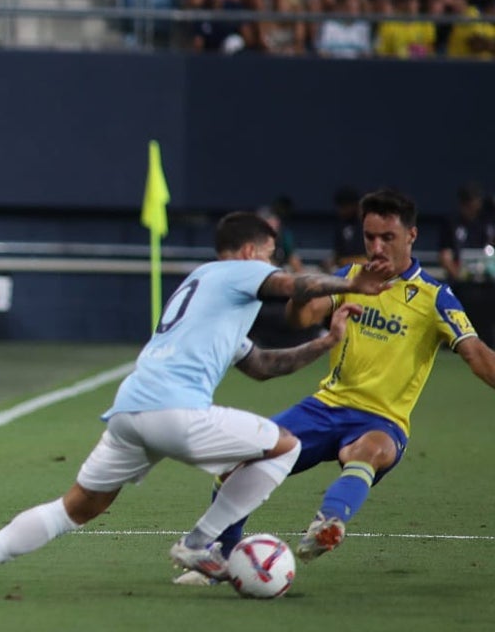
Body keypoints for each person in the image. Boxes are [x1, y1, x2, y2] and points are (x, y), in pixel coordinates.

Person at [0, 211, 392, 594]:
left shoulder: (209, 295)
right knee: (287, 445)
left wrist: (325, 341)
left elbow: (263, 365)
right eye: (271, 257)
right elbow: (296, 287)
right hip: (174, 411)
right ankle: (200, 542)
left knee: (75, 508)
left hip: (131, 411)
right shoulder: (239, 270)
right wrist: (352, 285)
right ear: (252, 252)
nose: (274, 267)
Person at [201, 189, 495, 573]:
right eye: (369, 236)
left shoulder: (434, 298)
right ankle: (219, 557)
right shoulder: (350, 278)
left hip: (382, 421)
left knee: (362, 453)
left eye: (387, 237)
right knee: (242, 461)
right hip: (325, 407)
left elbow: (477, 356)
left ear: (411, 236)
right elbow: (300, 319)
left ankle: (328, 523)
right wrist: (306, 291)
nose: (376, 246)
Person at [439, 181, 495, 283]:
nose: (473, 208)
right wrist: (459, 278)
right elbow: (445, 255)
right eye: (468, 204)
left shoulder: (487, 220)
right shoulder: (452, 223)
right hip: (461, 274)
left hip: (488, 274)